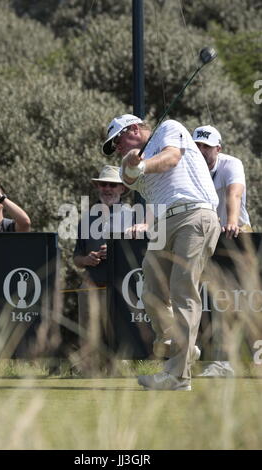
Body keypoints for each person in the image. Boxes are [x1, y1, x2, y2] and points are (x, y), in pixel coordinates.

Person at [102, 114, 220, 391]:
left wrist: (140, 164)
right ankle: (183, 347)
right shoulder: (125, 166)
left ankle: (178, 376)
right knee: (151, 290)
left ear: (133, 129)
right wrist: (132, 162)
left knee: (183, 290)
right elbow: (130, 175)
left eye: (117, 140)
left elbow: (170, 159)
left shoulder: (169, 128)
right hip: (163, 225)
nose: (116, 147)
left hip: (195, 214)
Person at [192, 124, 252, 377]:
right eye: (197, 146)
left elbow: (234, 194)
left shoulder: (231, 164)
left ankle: (243, 359)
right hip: (207, 236)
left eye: (206, 146)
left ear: (218, 148)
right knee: (213, 298)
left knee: (241, 298)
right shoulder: (190, 167)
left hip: (237, 233)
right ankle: (219, 361)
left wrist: (231, 220)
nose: (201, 150)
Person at [73, 164, 133, 374]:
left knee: (119, 330)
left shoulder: (133, 216)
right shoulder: (86, 218)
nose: (107, 188)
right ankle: (88, 369)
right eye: (103, 184)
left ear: (122, 189)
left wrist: (116, 250)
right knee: (88, 331)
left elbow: (139, 253)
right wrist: (87, 259)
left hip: (122, 285)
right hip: (92, 282)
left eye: (113, 185)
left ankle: (119, 368)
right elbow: (76, 258)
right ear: (98, 187)